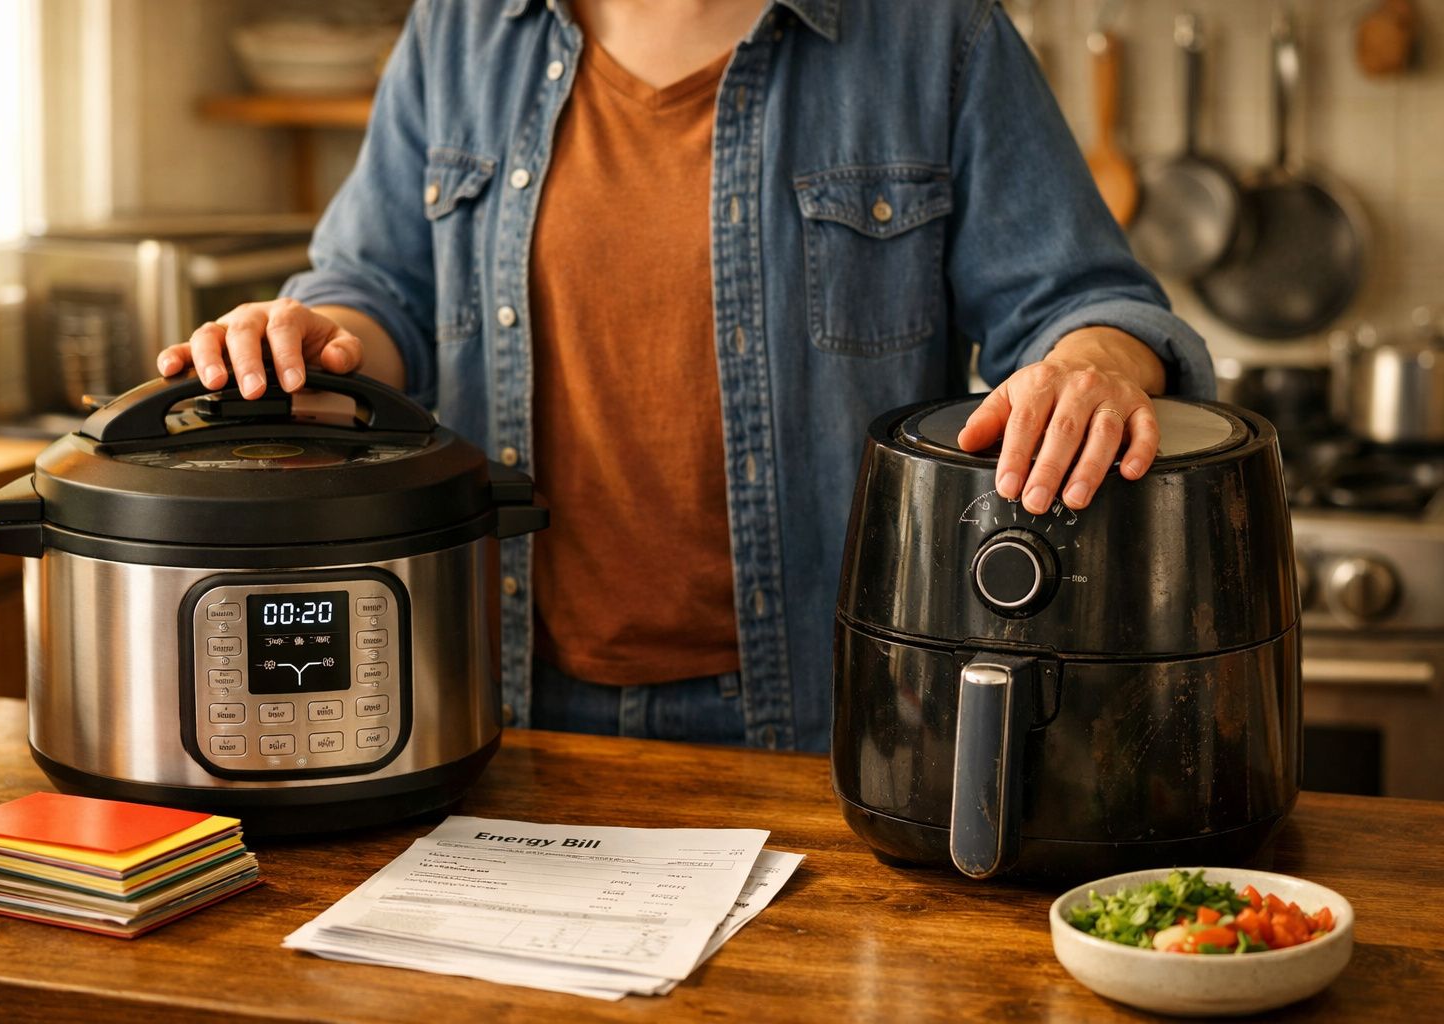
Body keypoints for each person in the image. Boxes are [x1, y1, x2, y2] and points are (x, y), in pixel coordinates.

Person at [159, 0, 1214, 753]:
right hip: (498, 705)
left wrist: (1093, 362)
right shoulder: (461, 29)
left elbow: (1085, 304)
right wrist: (306, 341)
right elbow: (375, 297)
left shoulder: (938, 32)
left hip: (836, 717)